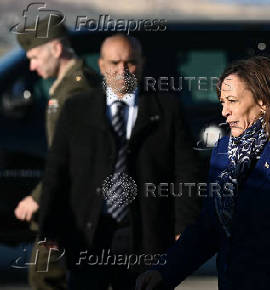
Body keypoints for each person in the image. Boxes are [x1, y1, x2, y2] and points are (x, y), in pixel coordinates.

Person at [136, 56, 270, 290]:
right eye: (222, 102)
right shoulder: (223, 152)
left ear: (263, 101)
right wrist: (164, 272)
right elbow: (209, 228)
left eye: (232, 101)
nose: (224, 112)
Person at [38, 33, 201, 290]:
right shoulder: (76, 109)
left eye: (130, 62)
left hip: (145, 234)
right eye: (114, 63)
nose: (122, 70)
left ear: (142, 63)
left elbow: (186, 172)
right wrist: (49, 225)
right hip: (88, 234)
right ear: (101, 65)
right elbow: (57, 170)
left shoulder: (166, 109)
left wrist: (184, 226)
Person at [13, 17, 99, 290]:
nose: (32, 66)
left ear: (57, 49)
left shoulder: (77, 89)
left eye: (35, 57)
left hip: (71, 201)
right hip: (65, 197)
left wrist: (39, 198)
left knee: (45, 275)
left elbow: (74, 156)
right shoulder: (63, 87)